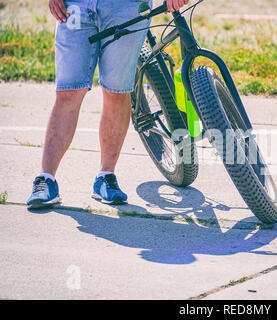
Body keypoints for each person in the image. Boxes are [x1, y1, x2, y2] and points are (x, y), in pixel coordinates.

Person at [27, 0, 189, 209]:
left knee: (117, 91)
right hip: (75, 7)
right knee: (68, 92)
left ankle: (106, 177)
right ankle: (46, 179)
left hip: (126, 8)